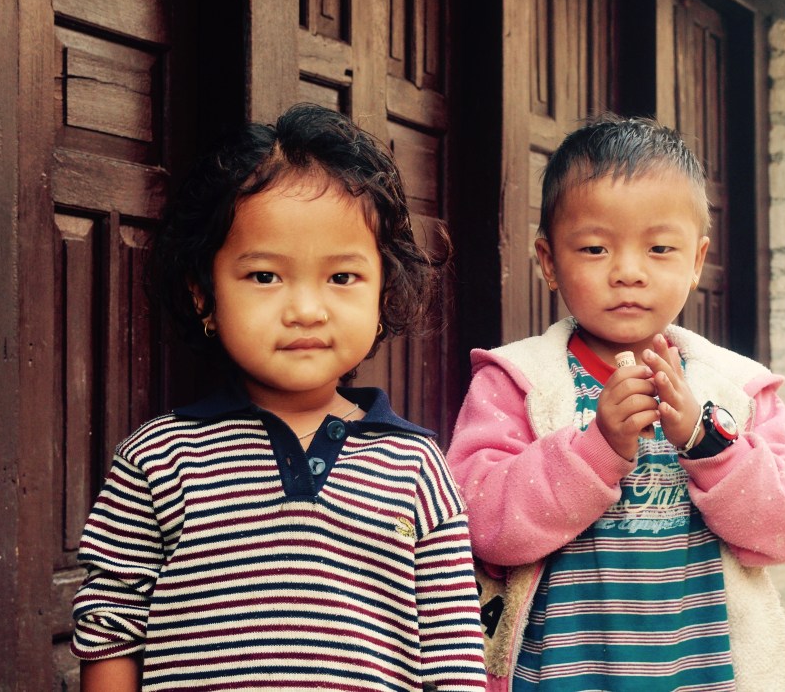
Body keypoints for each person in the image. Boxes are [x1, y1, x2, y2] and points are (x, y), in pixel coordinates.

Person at [71, 103, 487, 691]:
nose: (306, 310)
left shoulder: (417, 468)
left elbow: (455, 656)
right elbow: (110, 629)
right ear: (203, 294)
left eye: (342, 277)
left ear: (383, 292)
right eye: (265, 276)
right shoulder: (156, 459)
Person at [447, 114, 785, 692]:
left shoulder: (733, 388)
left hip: (706, 673)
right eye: (596, 247)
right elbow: (479, 525)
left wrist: (709, 444)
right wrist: (594, 450)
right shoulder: (518, 383)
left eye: (659, 248)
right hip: (557, 674)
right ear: (549, 261)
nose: (628, 272)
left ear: (697, 260)